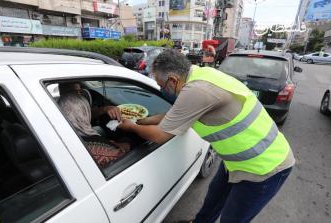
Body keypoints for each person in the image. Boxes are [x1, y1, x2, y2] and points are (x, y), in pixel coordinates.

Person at [118, 50, 295, 223]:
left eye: (162, 86)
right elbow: (175, 114)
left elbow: (160, 136)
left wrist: (132, 127)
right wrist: (144, 120)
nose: (162, 90)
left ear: (173, 80)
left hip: (264, 168)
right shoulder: (201, 75)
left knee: (232, 218)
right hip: (235, 163)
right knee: (213, 201)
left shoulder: (197, 91)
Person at [58, 83, 130, 167]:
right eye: (87, 109)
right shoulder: (104, 152)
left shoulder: (62, 139)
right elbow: (121, 155)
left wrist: (104, 109)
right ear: (85, 112)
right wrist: (126, 145)